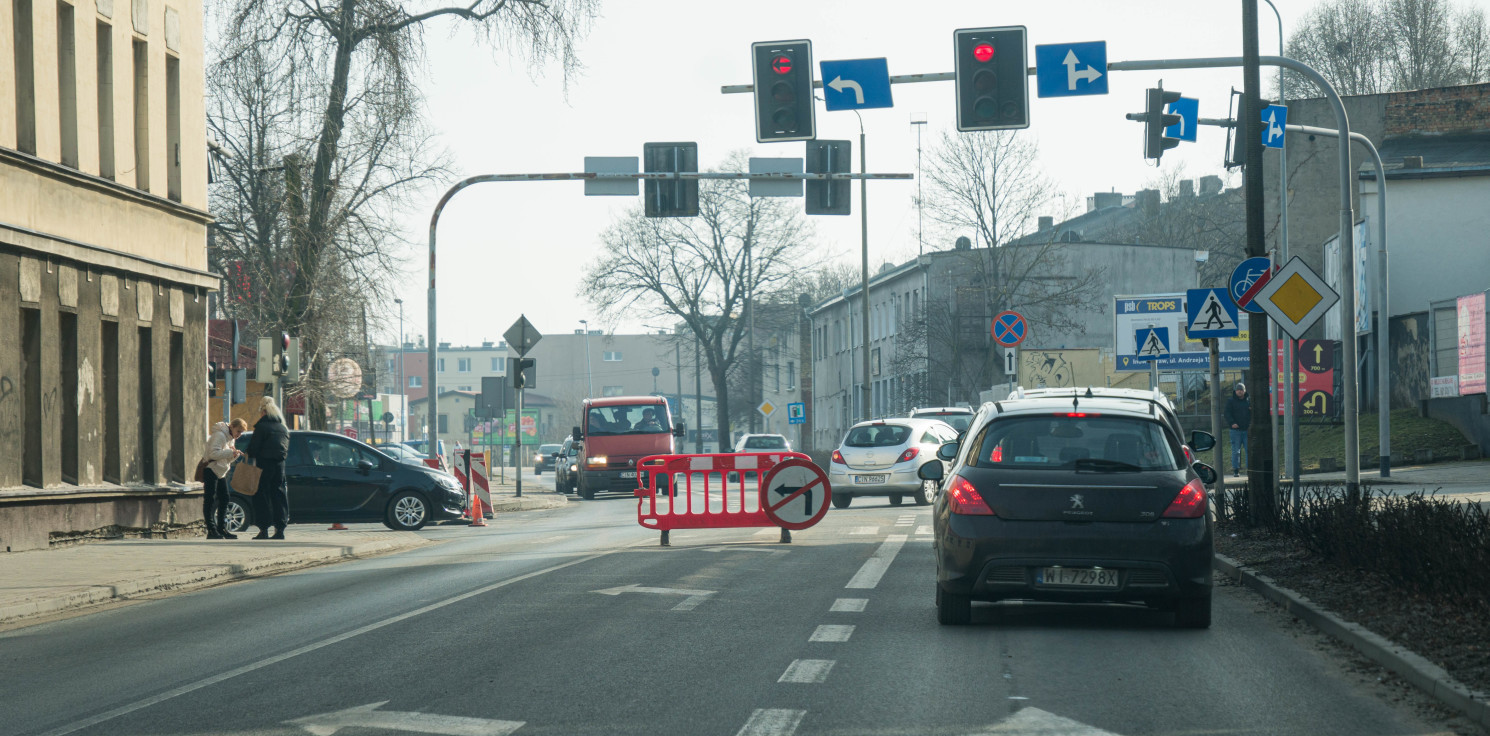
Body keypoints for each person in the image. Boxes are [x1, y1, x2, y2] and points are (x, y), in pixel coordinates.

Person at [245, 397, 291, 539]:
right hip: (280, 466)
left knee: (261, 496)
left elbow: (253, 448)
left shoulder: (261, 427)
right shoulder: (283, 428)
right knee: (279, 495)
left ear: (263, 412)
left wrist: (248, 453)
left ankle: (263, 529)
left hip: (263, 466)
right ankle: (280, 529)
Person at [201, 419, 248, 539]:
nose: (239, 434)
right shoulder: (220, 435)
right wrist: (229, 453)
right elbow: (213, 454)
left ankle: (221, 528)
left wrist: (234, 455)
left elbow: (226, 458)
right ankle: (211, 530)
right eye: (238, 431)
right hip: (211, 469)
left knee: (225, 498)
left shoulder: (230, 438)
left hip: (220, 471)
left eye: (241, 432)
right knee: (210, 500)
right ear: (231, 427)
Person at [1223, 382, 1251, 477]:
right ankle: (1236, 470)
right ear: (1235, 391)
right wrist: (1232, 423)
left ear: (1244, 391)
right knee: (1236, 451)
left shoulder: (1249, 401)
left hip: (1247, 430)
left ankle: (1249, 469)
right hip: (1235, 430)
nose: (1240, 391)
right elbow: (1227, 413)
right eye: (1238, 390)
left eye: (1241, 390)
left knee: (1249, 450)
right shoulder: (1230, 401)